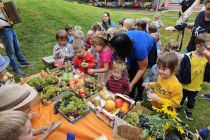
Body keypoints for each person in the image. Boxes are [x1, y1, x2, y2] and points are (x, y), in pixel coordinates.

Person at [109, 30, 157, 101]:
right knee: (131, 70)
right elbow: (121, 60)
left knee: (138, 72)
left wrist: (131, 84)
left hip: (149, 47)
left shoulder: (140, 49)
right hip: (128, 48)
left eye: (115, 50)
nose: (113, 51)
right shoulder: (120, 41)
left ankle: (139, 96)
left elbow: (142, 69)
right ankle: (131, 93)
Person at [178, 33, 210, 120]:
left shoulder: (207, 58)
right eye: (208, 47)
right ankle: (179, 106)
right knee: (181, 97)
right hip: (185, 84)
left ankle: (188, 110)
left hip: (196, 86)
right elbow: (180, 70)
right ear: (198, 46)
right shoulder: (188, 56)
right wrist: (179, 80)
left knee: (192, 101)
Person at [0, 1, 32, 76]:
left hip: (10, 28)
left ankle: (23, 62)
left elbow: (9, 14)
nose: (1, 3)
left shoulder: (3, 7)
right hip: (4, 30)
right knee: (10, 51)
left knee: (17, 47)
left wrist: (15, 13)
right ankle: (16, 69)